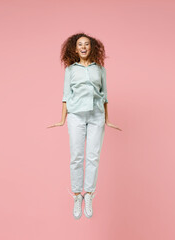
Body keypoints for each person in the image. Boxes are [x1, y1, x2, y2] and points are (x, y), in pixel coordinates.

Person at [48, 33, 121, 219]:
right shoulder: (70, 70)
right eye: (80, 44)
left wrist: (107, 118)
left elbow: (104, 95)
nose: (83, 47)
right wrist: (62, 119)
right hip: (76, 116)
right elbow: (66, 95)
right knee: (77, 156)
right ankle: (76, 195)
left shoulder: (100, 69)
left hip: (97, 115)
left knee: (93, 156)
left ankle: (88, 194)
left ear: (92, 47)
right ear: (74, 48)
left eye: (87, 44)